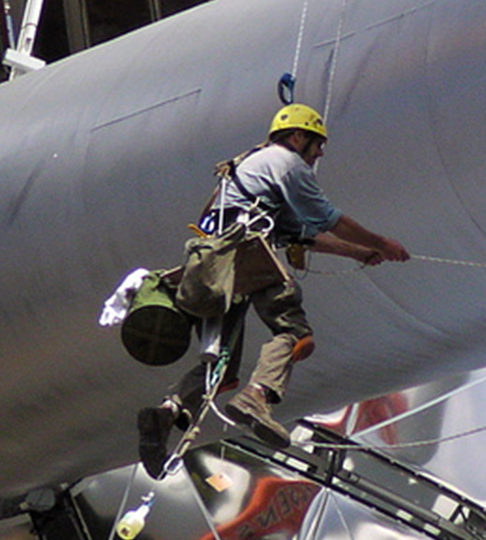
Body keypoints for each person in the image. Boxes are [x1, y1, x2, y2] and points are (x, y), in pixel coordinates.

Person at [138, 104, 409, 478]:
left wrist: (362, 252)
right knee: (295, 332)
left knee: (221, 368)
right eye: (317, 144)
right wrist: (382, 242)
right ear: (297, 137)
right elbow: (330, 219)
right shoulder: (286, 162)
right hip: (245, 253)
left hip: (212, 265)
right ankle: (258, 396)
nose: (320, 154)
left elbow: (303, 234)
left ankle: (166, 413)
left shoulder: (251, 169)